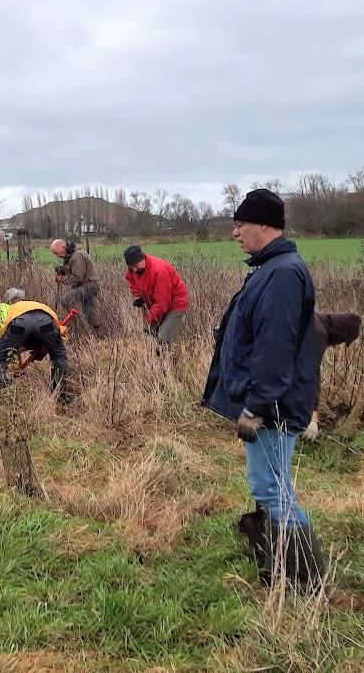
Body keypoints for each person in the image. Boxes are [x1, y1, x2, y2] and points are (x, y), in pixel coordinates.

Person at [201, 189, 324, 586]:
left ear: (265, 225)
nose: (235, 233)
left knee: (271, 488)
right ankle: (280, 566)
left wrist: (256, 406)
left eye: (241, 224)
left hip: (273, 405)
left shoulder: (282, 273)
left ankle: (303, 581)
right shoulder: (271, 268)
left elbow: (275, 347)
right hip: (272, 400)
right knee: (271, 485)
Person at [0, 295, 72, 406]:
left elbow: (7, 335)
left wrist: (2, 349)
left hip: (20, 323)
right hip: (45, 322)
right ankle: (60, 396)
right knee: (58, 355)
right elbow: (52, 340)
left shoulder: (11, 309)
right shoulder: (38, 306)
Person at [301, 312, 361, 441]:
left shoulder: (314, 319)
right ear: (340, 334)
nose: (335, 345)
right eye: (341, 341)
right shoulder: (318, 331)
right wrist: (313, 418)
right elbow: (311, 374)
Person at [123, 245, 188, 344]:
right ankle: (159, 351)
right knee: (151, 333)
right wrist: (137, 295)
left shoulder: (159, 271)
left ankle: (166, 352)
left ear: (142, 258)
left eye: (136, 266)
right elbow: (131, 279)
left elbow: (161, 304)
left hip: (175, 304)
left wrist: (148, 320)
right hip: (157, 305)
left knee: (163, 338)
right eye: (131, 267)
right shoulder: (134, 268)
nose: (134, 270)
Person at [49, 239, 100, 329]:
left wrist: (62, 279)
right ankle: (97, 330)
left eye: (56, 253)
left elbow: (78, 278)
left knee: (66, 300)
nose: (57, 256)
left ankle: (77, 327)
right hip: (85, 286)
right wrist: (63, 270)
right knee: (89, 311)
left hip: (89, 286)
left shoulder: (77, 255)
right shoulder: (69, 255)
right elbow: (74, 270)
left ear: (63, 247)